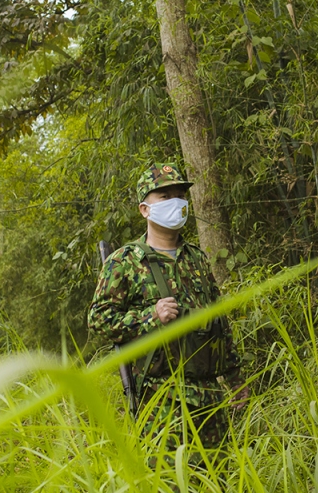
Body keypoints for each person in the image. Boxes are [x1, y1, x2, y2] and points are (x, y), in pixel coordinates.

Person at [88, 162, 247, 450]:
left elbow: (219, 325)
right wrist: (151, 317)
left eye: (180, 196)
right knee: (168, 491)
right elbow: (99, 319)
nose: (176, 203)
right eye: (164, 196)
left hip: (209, 398)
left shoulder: (197, 259)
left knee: (218, 488)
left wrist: (234, 379)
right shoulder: (125, 262)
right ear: (144, 209)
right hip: (161, 402)